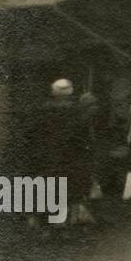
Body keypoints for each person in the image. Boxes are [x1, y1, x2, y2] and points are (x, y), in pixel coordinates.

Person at [45, 79, 95, 228]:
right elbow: (83, 135)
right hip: (71, 154)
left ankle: (58, 222)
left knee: (57, 187)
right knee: (72, 188)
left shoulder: (48, 110)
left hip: (55, 154)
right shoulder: (76, 111)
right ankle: (69, 221)